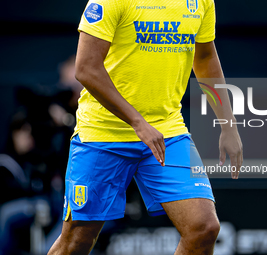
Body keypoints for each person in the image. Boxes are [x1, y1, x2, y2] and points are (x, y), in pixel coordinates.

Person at [48, 0, 243, 254]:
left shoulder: (202, 2)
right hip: (102, 133)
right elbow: (86, 68)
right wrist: (137, 122)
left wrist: (228, 124)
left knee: (203, 227)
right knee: (77, 241)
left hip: (167, 131)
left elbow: (205, 56)